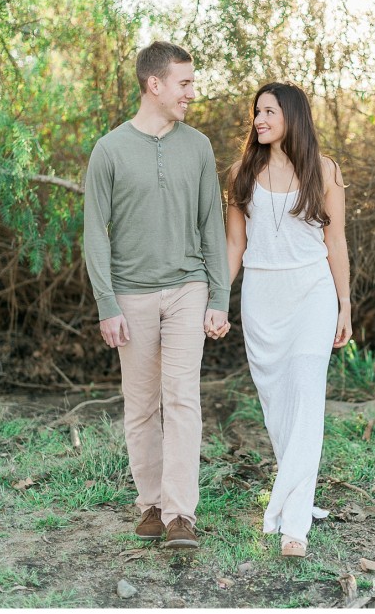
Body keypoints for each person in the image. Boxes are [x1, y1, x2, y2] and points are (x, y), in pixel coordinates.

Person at [84, 41, 230, 549]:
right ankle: (148, 504)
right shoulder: (109, 150)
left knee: (183, 399)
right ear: (155, 85)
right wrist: (107, 303)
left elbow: (212, 223)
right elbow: (93, 234)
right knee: (142, 405)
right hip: (131, 295)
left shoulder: (199, 146)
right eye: (184, 83)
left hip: (189, 288)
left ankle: (179, 516)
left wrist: (219, 296)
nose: (192, 92)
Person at [226, 81, 352, 558]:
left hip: (312, 295)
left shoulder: (325, 171)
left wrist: (345, 304)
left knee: (306, 399)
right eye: (257, 111)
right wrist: (219, 298)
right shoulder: (241, 173)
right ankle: (296, 495)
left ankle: (294, 524)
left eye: (269, 111)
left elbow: (335, 243)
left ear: (292, 117)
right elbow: (235, 246)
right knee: (279, 409)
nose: (259, 119)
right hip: (261, 298)